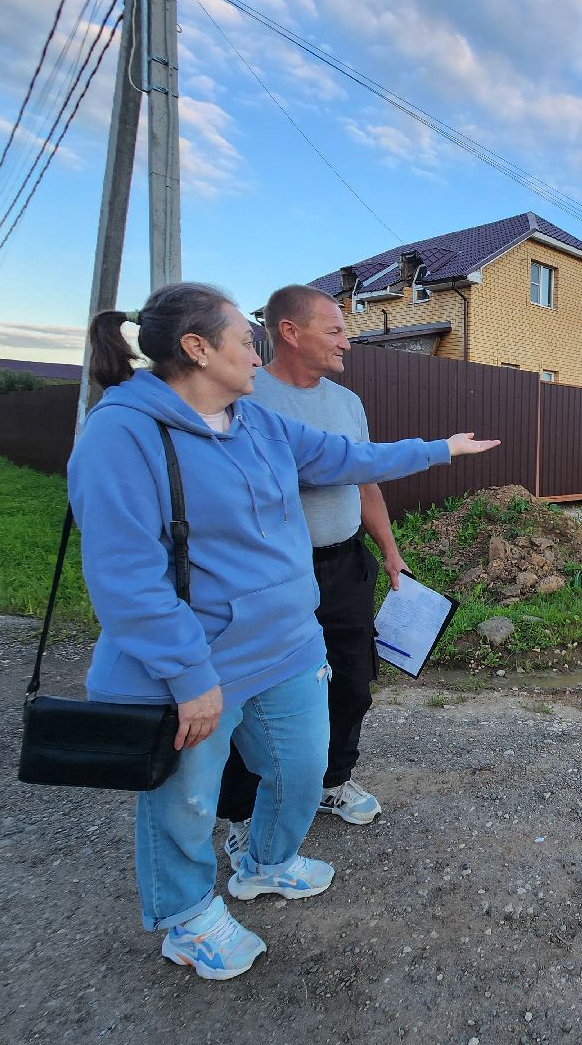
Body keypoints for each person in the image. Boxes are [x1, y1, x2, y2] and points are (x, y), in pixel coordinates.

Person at [69, 282, 498, 980]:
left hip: (289, 645)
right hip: (197, 664)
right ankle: (185, 919)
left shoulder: (256, 422)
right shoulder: (123, 435)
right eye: (245, 340)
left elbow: (347, 459)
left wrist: (439, 448)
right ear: (197, 348)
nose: (256, 354)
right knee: (183, 798)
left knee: (302, 767)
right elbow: (125, 579)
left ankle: (266, 863)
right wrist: (188, 679)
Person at [216, 284, 404, 855]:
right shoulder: (246, 399)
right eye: (335, 330)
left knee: (351, 683)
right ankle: (242, 812)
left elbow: (365, 481)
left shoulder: (347, 403)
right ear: (289, 332)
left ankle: (331, 781)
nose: (347, 340)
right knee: (258, 693)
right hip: (270, 577)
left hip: (344, 566)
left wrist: (390, 551)